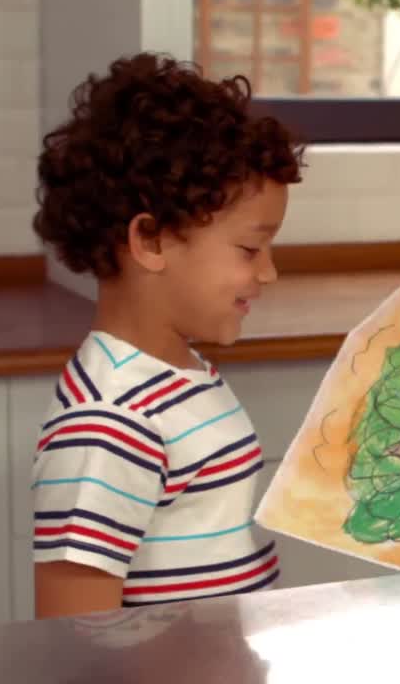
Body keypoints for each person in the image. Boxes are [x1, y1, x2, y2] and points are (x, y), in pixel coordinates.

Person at [29, 52, 304, 618]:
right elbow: (72, 637)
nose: (268, 272)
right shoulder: (110, 422)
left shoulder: (179, 376)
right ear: (150, 241)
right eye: (250, 249)